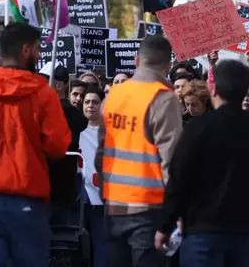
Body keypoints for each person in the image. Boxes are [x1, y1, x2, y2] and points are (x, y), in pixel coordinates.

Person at [0, 22, 72, 267]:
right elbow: (58, 145)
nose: (39, 54)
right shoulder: (43, 95)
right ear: (25, 50)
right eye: (37, 48)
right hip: (28, 200)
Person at [156, 60, 249, 267]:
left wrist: (165, 225)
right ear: (246, 93)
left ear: (213, 90)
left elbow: (179, 180)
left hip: (202, 233)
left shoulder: (198, 128)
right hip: (246, 233)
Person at [95, 34, 182, 267]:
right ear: (168, 65)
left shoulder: (113, 96)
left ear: (136, 61)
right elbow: (171, 162)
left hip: (114, 206)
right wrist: (176, 211)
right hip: (149, 209)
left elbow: (100, 155)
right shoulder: (164, 99)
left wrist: (107, 192)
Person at [39, 62, 88, 225]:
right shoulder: (69, 113)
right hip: (60, 190)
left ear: (59, 85)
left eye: (45, 81)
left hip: (52, 188)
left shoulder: (60, 112)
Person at [80, 86, 108, 267]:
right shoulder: (75, 133)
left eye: (95, 102)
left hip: (101, 201)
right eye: (87, 102)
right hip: (80, 201)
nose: (90, 106)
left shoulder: (110, 134)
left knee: (101, 248)